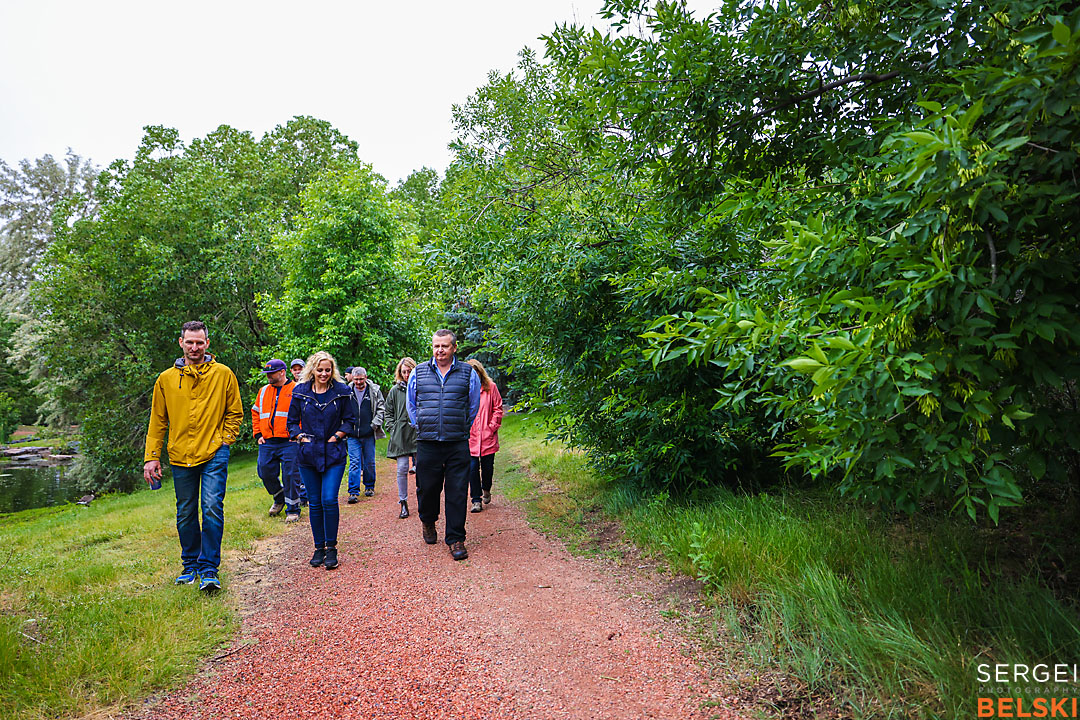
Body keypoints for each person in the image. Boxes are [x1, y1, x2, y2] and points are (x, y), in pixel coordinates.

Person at [144, 320, 243, 594]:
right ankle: (190, 566)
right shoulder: (165, 379)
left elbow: (235, 413)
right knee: (186, 512)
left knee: (211, 507)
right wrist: (151, 456)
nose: (195, 347)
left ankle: (209, 568)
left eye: (200, 342)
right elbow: (157, 421)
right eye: (190, 342)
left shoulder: (223, 374)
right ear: (181, 343)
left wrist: (225, 440)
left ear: (207, 344)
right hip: (179, 455)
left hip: (214, 452)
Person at [407, 329, 481, 561]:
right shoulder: (418, 372)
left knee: (457, 491)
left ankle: (456, 538)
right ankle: (428, 521)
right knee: (427, 489)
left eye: (445, 346)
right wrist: (422, 425)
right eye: (436, 346)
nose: (440, 350)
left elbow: (473, 406)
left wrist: (459, 426)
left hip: (457, 441)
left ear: (454, 348)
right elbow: (411, 405)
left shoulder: (468, 373)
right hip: (427, 442)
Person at [287, 351, 355, 570]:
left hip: (334, 452)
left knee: (328, 499)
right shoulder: (300, 392)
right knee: (314, 502)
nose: (323, 373)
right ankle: (319, 548)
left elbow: (350, 421)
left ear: (332, 370)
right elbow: (291, 423)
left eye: (327, 370)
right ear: (312, 370)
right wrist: (300, 436)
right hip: (308, 453)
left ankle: (332, 547)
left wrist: (337, 436)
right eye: (320, 370)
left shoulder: (342, 392)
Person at [252, 358, 302, 523]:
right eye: (267, 374)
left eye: (271, 373)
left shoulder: (297, 389)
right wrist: (258, 434)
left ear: (282, 372)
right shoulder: (264, 391)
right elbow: (256, 412)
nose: (268, 377)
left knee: (290, 475)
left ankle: (293, 510)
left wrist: (299, 434)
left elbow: (304, 414)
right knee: (264, 471)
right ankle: (279, 496)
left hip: (290, 441)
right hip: (267, 441)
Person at [467, 359, 504, 513]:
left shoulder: (491, 387)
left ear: (480, 373)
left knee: (487, 468)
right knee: (472, 468)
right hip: (471, 437)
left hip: (488, 436)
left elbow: (498, 408)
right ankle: (476, 500)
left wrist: (492, 427)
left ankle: (486, 489)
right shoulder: (464, 390)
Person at [384, 357, 418, 519]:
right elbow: (388, 412)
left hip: (419, 434)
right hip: (401, 435)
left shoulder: (421, 388)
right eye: (404, 371)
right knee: (402, 468)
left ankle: (424, 500)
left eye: (409, 371)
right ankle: (403, 502)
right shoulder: (394, 391)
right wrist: (393, 427)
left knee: (424, 469)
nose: (406, 374)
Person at [346, 366, 385, 502]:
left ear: (366, 378)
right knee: (354, 462)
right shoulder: (347, 391)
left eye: (361, 379)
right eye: (356, 379)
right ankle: (353, 491)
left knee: (369, 462)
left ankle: (369, 486)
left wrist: (374, 424)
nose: (358, 382)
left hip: (368, 432)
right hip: (352, 434)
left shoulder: (374, 391)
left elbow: (381, 408)